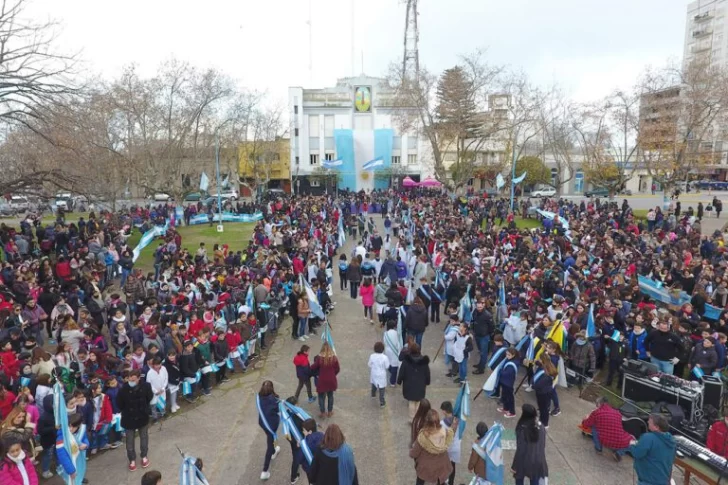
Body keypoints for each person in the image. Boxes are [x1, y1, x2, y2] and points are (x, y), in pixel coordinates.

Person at [116, 369, 154, 471]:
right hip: (129, 418)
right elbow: (119, 404)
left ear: (138, 378)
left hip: (142, 416)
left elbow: (149, 397)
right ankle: (132, 459)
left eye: (134, 380)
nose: (131, 382)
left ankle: (144, 456)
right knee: (129, 441)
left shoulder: (146, 386)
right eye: (130, 379)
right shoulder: (123, 390)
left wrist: (144, 408)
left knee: (144, 437)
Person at [409, 408, 454, 485]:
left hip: (426, 468)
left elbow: (414, 454)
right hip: (442, 465)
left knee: (420, 481)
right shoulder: (444, 431)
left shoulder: (423, 436)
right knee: (441, 481)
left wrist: (411, 450)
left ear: (426, 421)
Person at [580, 397, 633, 462]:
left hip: (605, 440)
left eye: (597, 405)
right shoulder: (618, 413)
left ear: (599, 404)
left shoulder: (596, 412)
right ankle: (619, 453)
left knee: (594, 426)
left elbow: (586, 424)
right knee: (632, 442)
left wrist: (584, 419)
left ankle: (598, 448)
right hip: (620, 441)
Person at [628, 414, 676, 485]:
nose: (647, 422)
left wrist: (631, 444)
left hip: (648, 480)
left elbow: (637, 453)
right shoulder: (671, 440)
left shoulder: (648, 438)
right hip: (664, 480)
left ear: (656, 427)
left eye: (650, 422)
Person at [511, 404, 548, 485]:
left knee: (519, 478)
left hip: (525, 460)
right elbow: (543, 444)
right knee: (535, 480)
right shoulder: (541, 426)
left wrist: (514, 466)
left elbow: (520, 450)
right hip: (538, 459)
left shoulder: (522, 429)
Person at [397, 342, 431, 421]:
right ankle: (418, 417)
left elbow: (402, 372)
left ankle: (412, 419)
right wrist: (427, 382)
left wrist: (399, 381)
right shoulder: (424, 361)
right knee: (419, 402)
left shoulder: (406, 360)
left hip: (409, 385)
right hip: (420, 385)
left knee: (411, 402)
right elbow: (427, 373)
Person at [257, 381, 280, 481]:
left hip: (263, 423)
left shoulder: (259, 396)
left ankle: (274, 451)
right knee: (269, 445)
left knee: (270, 439)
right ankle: (264, 471)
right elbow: (278, 410)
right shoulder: (274, 400)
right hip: (271, 425)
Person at [311, 342, 340, 418]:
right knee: (330, 396)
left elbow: (313, 367)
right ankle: (330, 412)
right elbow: (337, 369)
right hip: (331, 380)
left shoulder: (319, 359)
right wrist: (333, 374)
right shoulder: (334, 358)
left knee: (321, 397)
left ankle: (323, 412)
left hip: (322, 380)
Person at [440, 401, 461, 485]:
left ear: (444, 411)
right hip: (455, 447)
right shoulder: (457, 420)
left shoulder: (442, 423)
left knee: (444, 467)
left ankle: (443, 482)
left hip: (446, 448)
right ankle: (451, 482)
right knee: (452, 467)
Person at [368, 341, 390, 407]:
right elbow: (387, 366)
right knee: (382, 388)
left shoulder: (372, 356)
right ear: (383, 349)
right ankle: (382, 402)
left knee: (374, 384)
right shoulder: (385, 357)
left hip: (374, 373)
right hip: (381, 374)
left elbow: (369, 364)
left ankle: (373, 394)